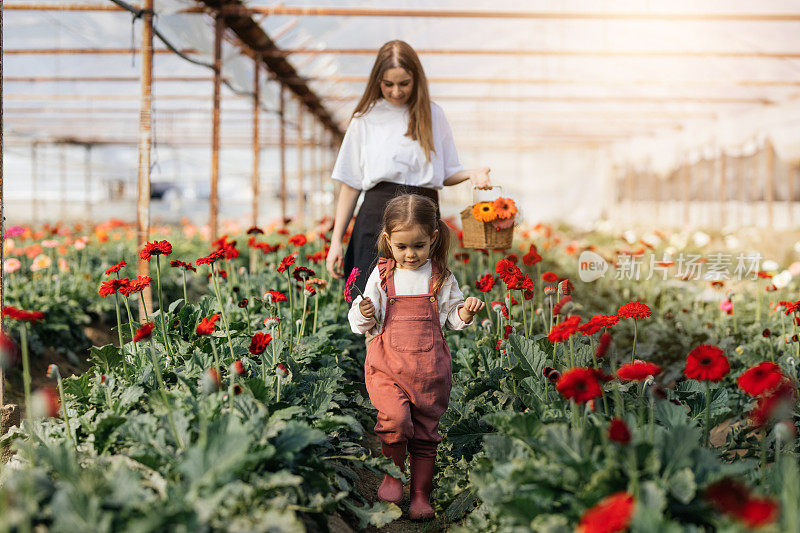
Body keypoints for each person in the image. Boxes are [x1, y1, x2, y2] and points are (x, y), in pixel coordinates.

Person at [347, 194, 485, 520]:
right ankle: (392, 478)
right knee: (394, 420)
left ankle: (420, 495)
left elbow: (450, 319)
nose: (410, 254)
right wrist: (365, 311)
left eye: (419, 246)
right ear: (388, 241)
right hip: (387, 367)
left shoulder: (441, 278)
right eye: (402, 247)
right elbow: (362, 322)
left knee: (425, 433)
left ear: (433, 238)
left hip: (429, 371)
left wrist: (464, 311)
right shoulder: (382, 277)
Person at [326, 39, 491, 298]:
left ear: (417, 79)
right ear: (377, 81)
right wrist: (336, 240)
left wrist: (471, 174)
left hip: (423, 216)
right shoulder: (365, 119)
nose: (396, 91)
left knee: (421, 299)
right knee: (369, 301)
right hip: (376, 217)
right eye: (388, 84)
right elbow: (350, 183)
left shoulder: (433, 115)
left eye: (404, 83)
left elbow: (447, 172)